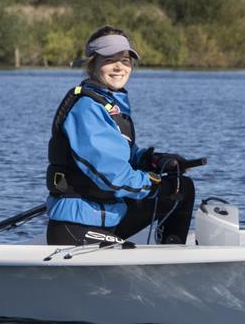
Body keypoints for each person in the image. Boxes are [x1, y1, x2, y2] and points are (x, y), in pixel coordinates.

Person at [45, 25, 195, 246]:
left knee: (181, 187)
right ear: (92, 64)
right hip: (77, 227)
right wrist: (152, 184)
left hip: (110, 215)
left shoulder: (109, 104)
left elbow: (123, 154)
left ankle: (172, 251)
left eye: (125, 60)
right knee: (163, 189)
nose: (119, 67)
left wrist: (154, 160)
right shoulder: (86, 108)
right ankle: (166, 265)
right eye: (109, 60)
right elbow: (112, 175)